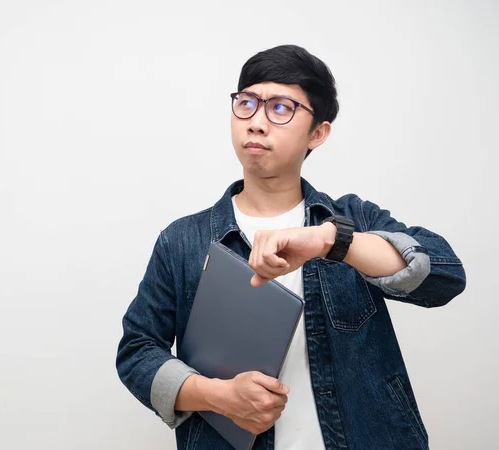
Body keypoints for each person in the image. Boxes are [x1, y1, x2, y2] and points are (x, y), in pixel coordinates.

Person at [115, 44, 466, 450]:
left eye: (280, 108)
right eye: (247, 103)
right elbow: (137, 351)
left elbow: (443, 275)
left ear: (318, 132)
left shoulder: (353, 218)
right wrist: (216, 396)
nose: (257, 123)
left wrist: (332, 241)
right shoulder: (181, 241)